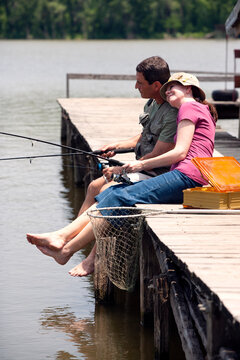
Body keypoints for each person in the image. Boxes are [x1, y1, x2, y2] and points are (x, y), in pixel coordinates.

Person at [26, 72, 217, 271]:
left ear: (189, 89)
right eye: (166, 88)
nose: (168, 91)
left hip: (187, 176)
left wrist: (142, 165)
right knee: (111, 192)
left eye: (173, 87)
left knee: (118, 197)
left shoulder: (189, 106)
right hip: (188, 176)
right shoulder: (198, 109)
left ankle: (65, 245)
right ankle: (64, 243)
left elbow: (180, 152)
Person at [69, 56, 178, 276]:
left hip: (156, 171)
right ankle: (76, 240)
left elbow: (161, 152)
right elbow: (144, 136)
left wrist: (123, 169)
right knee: (92, 187)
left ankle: (91, 257)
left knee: (108, 191)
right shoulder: (152, 103)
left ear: (157, 85)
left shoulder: (171, 112)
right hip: (141, 166)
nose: (135, 86)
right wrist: (118, 146)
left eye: (140, 83)